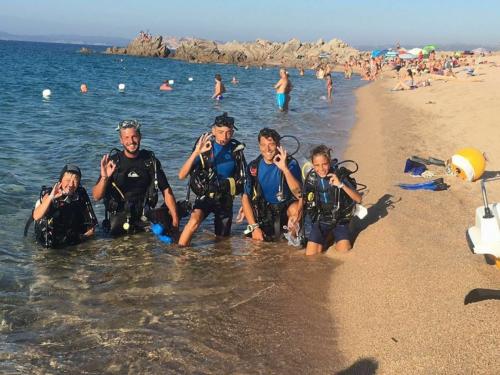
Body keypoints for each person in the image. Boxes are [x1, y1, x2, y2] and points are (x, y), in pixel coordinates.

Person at [92, 120, 179, 236]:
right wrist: (104, 178)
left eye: (134, 136)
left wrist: (175, 220)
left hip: (144, 215)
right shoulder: (113, 162)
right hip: (119, 217)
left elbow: (166, 191)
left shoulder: (150, 161)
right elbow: (96, 196)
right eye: (126, 137)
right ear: (121, 140)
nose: (131, 141)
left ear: (140, 137)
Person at [177, 113, 247, 246]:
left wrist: (244, 204)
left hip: (225, 197)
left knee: (222, 240)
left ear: (232, 132)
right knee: (194, 220)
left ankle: (218, 264)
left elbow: (244, 179)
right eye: (220, 132)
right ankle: (180, 254)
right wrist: (196, 153)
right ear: (213, 130)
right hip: (206, 195)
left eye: (228, 133)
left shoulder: (236, 150)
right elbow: (181, 175)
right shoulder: (205, 148)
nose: (224, 137)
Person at [241, 128, 302, 242]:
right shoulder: (253, 167)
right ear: (259, 146)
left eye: (271, 144)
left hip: (286, 210)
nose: (267, 149)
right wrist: (254, 228)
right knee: (251, 244)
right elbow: (245, 197)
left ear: (278, 145)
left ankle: (291, 245)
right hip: (265, 212)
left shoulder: (291, 164)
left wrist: (285, 169)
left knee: (296, 208)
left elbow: (299, 195)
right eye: (263, 145)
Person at [303, 145, 362, 255]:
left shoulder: (339, 175)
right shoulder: (311, 178)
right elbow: (304, 199)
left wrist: (341, 185)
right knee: (310, 255)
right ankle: (329, 235)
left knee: (344, 251)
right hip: (322, 219)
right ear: (312, 165)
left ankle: (336, 233)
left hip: (340, 219)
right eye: (317, 165)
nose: (321, 169)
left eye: (324, 164)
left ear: (329, 161)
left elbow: (358, 198)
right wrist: (296, 219)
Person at [29, 164, 97, 248]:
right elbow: (36, 216)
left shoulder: (80, 194)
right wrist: (51, 197)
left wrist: (82, 238)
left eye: (75, 181)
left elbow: (91, 226)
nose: (71, 185)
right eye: (67, 180)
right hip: (51, 243)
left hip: (71, 240)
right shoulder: (50, 193)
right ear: (61, 180)